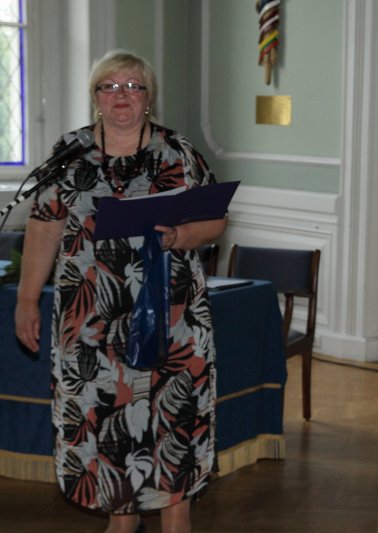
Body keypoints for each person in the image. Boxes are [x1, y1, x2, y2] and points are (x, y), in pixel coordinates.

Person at [14, 50, 225, 533]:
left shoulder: (179, 153)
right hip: (90, 325)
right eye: (108, 87)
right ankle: (121, 518)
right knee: (106, 418)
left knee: (174, 420)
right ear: (95, 98)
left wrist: (178, 237)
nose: (120, 96)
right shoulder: (70, 154)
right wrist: (27, 298)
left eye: (132, 86)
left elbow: (214, 219)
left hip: (174, 322)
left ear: (149, 97)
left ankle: (176, 515)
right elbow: (44, 229)